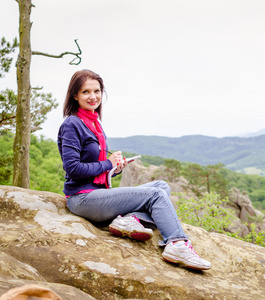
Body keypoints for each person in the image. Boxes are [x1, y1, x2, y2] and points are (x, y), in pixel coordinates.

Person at [57, 69, 211, 271]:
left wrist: (115, 169)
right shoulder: (72, 124)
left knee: (161, 185)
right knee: (155, 195)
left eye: (97, 91)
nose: (93, 97)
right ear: (75, 95)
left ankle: (131, 220)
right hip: (82, 198)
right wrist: (108, 164)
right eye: (86, 92)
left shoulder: (94, 123)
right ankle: (176, 244)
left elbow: (97, 169)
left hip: (98, 193)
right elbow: (73, 168)